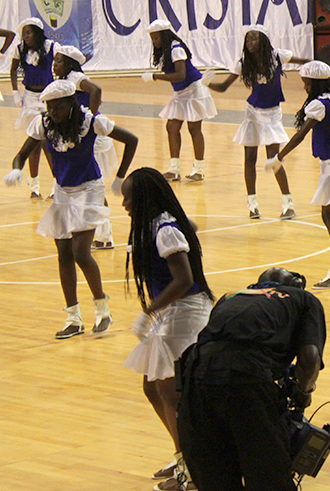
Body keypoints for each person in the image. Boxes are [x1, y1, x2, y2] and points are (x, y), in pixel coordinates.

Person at [5, 80, 138, 338]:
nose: (52, 112)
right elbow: (22, 153)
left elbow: (131, 140)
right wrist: (16, 169)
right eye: (49, 107)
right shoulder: (44, 124)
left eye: (57, 107)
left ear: (71, 104)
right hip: (63, 192)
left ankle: (102, 310)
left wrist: (120, 177)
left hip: (89, 189)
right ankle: (73, 318)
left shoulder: (91, 122)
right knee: (63, 253)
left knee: (80, 251)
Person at [176, 267, 326, 491]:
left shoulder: (230, 296)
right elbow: (310, 357)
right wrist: (303, 393)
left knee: (215, 477)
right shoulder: (304, 298)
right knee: (269, 476)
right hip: (246, 379)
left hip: (195, 377)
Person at [121, 168, 214, 491]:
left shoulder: (164, 230)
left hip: (185, 310)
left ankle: (192, 468)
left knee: (171, 393)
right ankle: (183, 455)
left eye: (128, 197)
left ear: (144, 198)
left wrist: (150, 310)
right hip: (171, 309)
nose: (124, 204)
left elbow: (184, 280)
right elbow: (190, 228)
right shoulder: (158, 225)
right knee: (152, 388)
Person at [268, 62, 330, 288]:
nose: (305, 88)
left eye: (307, 84)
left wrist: (279, 157)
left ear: (317, 83)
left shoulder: (320, 104)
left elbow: (300, 136)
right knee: (327, 216)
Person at [208, 26, 308, 220]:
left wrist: (315, 72)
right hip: (252, 113)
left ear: (263, 40)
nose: (250, 43)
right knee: (249, 159)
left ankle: (288, 204)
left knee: (274, 158)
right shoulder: (244, 63)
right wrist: (206, 83)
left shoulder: (278, 56)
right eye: (247, 40)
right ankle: (252, 205)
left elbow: (304, 62)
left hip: (272, 114)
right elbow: (222, 87)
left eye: (253, 39)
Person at [52, 44, 117, 250]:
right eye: (54, 60)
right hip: (79, 137)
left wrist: (91, 116)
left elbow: (96, 89)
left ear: (70, 64)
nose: (54, 64)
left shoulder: (75, 78)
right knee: (92, 188)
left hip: (90, 138)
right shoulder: (62, 81)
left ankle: (105, 235)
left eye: (59, 61)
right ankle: (102, 234)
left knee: (94, 187)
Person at [142, 20, 217, 183]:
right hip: (181, 93)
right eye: (152, 39)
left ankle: (199, 170)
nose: (154, 42)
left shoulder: (176, 48)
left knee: (194, 128)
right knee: (172, 126)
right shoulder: (165, 50)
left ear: (164, 35)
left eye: (156, 38)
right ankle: (174, 169)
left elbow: (180, 75)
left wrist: (154, 76)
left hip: (195, 90)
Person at [9, 18, 55, 199]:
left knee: (48, 143)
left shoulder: (51, 46)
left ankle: (56, 184)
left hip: (48, 98)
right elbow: (13, 70)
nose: (26, 36)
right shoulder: (20, 50)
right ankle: (34, 186)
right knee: (34, 142)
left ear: (37, 32)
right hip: (29, 98)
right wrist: (15, 92)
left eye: (29, 32)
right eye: (24, 33)